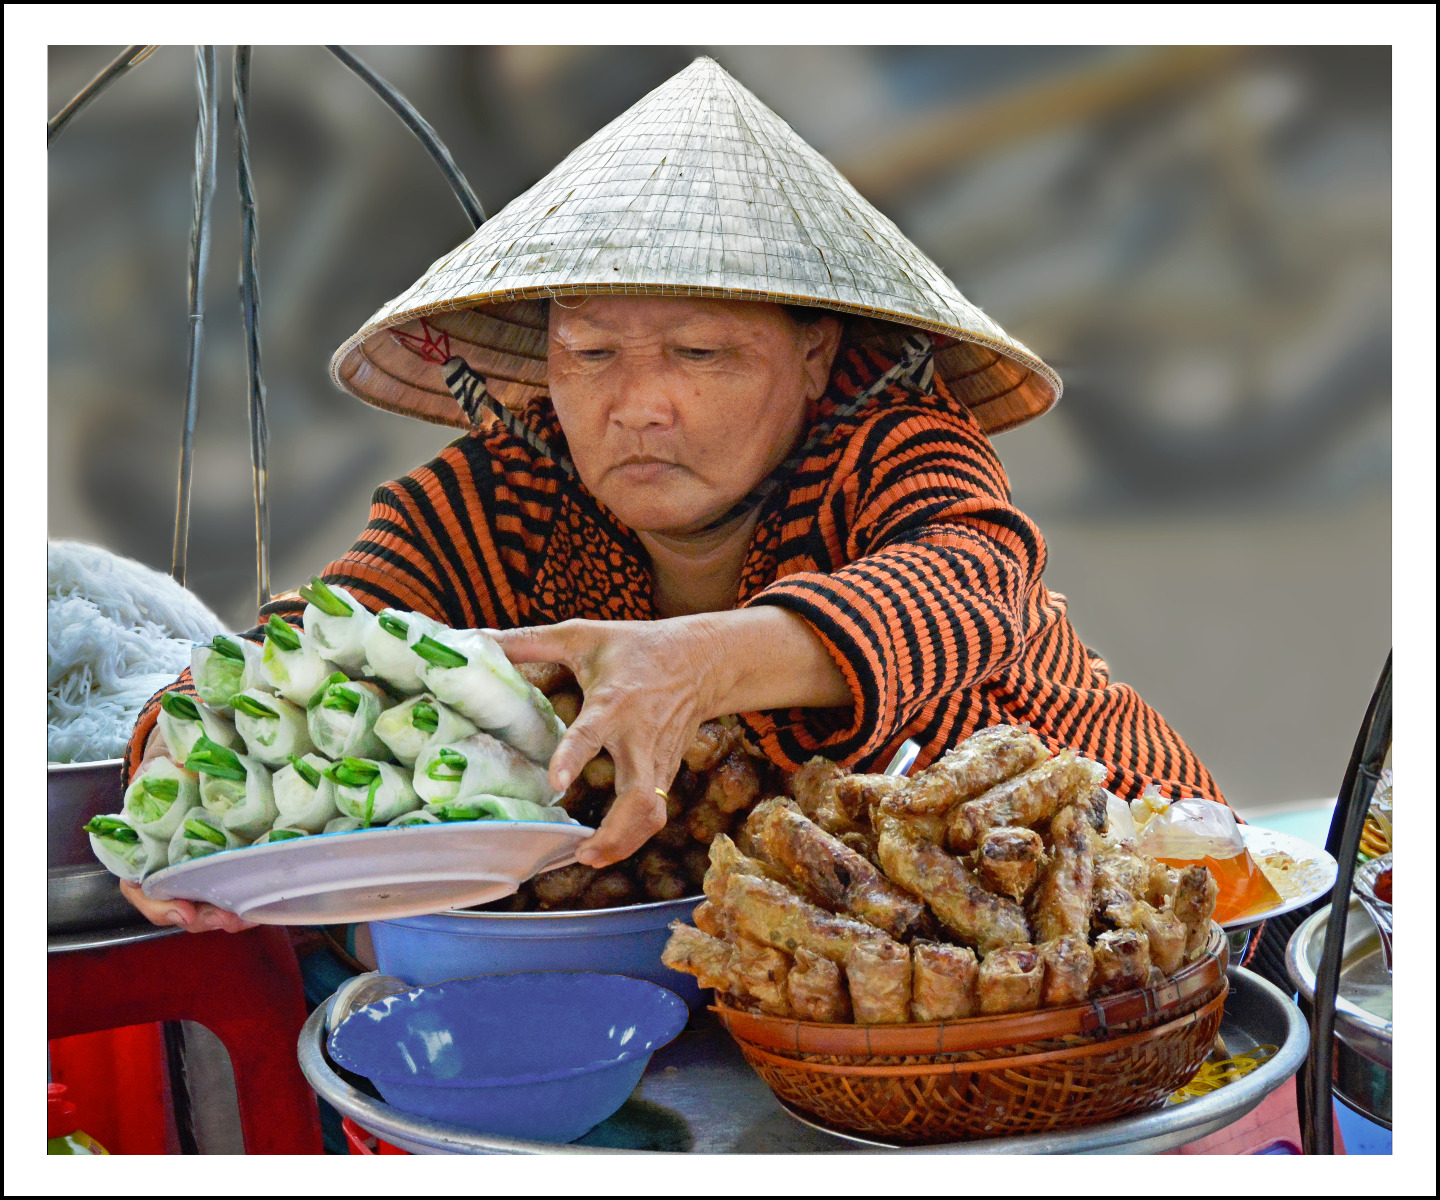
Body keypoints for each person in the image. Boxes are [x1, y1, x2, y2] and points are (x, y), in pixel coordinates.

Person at [119, 58, 1221, 932]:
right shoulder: (501, 495)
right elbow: (315, 641)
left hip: (1125, 893)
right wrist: (181, 757)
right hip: (744, 962)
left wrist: (692, 659)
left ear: (814, 355)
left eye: (700, 353)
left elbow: (973, 585)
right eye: (591, 354)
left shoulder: (887, 449)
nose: (637, 405)